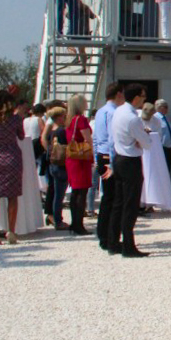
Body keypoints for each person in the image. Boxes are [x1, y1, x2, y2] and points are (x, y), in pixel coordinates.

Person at [107, 83, 152, 257]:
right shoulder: (133, 118)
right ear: (136, 98)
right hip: (130, 161)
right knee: (130, 205)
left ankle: (113, 242)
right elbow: (147, 143)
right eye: (143, 96)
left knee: (118, 203)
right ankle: (128, 245)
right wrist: (143, 137)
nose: (144, 100)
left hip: (119, 158)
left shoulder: (119, 111)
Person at [0, 90, 26, 245]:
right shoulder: (15, 119)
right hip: (13, 157)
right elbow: (21, 136)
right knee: (12, 196)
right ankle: (11, 231)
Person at [93, 83, 124, 250]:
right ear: (118, 94)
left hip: (101, 155)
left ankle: (103, 234)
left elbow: (96, 138)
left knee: (107, 198)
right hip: (110, 156)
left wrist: (96, 158)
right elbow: (112, 140)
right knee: (114, 199)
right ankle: (110, 237)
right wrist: (112, 163)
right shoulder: (113, 113)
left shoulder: (100, 111)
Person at [64, 94, 93, 235]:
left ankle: (75, 222)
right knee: (82, 191)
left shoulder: (69, 120)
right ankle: (78, 224)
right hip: (81, 158)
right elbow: (88, 138)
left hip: (72, 158)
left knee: (76, 192)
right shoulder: (81, 119)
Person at [42, 107, 69, 229]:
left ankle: (55, 218)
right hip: (61, 165)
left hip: (53, 164)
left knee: (56, 193)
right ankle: (58, 221)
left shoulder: (52, 131)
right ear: (59, 117)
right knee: (59, 195)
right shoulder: (61, 131)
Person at [154, 99, 171, 173]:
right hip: (161, 148)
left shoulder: (166, 118)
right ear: (159, 107)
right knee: (162, 170)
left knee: (167, 169)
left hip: (168, 148)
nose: (167, 109)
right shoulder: (155, 118)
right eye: (165, 107)